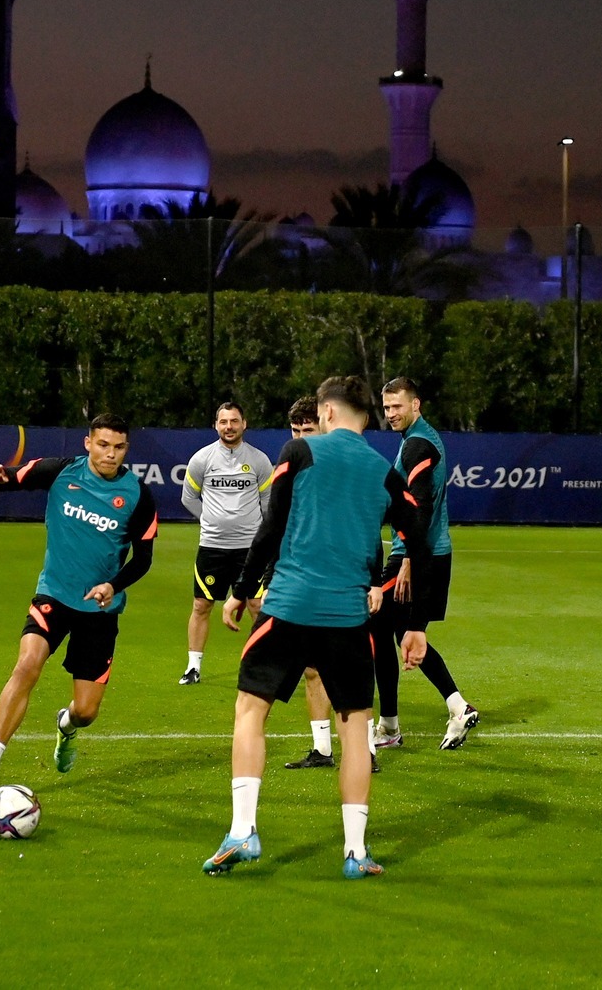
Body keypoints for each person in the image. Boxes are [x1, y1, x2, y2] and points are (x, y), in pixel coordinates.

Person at [201, 376, 422, 880]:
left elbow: (271, 526)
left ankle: (243, 830)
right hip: (348, 619)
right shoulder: (385, 473)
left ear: (327, 412)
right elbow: (417, 533)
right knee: (355, 731)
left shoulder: (299, 452)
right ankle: (355, 853)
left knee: (250, 710)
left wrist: (241, 590)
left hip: (290, 607)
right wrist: (412, 617)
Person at [0, 414, 158, 794]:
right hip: (54, 593)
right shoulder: (60, 471)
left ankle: (66, 725)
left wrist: (113, 585)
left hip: (99, 611)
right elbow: (9, 478)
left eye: (118, 447)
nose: (110, 454)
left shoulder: (137, 495)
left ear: (126, 449)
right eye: (103, 445)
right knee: (27, 665)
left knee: (86, 712)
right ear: (88, 443)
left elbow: (144, 559)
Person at [371, 377, 479, 751]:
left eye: (397, 406)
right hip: (423, 552)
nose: (391, 413)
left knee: (378, 624)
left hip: (418, 555)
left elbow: (421, 508)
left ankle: (389, 726)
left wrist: (408, 560)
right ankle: (456, 706)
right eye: (386, 407)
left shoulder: (418, 445)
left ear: (415, 404)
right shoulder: (419, 439)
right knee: (398, 632)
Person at [178, 399, 272, 685]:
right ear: (215, 425)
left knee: (258, 606)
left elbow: (268, 503)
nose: (229, 426)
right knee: (201, 605)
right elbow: (188, 498)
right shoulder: (201, 459)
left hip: (250, 550)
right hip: (212, 547)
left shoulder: (259, 460)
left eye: (234, 421)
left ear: (244, 424)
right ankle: (193, 667)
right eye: (223, 422)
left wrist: (260, 533)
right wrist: (209, 520)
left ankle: (262, 668)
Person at [277, 395, 345, 771]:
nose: (302, 437)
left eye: (309, 429)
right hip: (305, 581)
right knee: (312, 668)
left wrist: (370, 582)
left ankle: (365, 750)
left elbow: (366, 528)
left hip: (343, 582)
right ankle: (322, 749)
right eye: (296, 430)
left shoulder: (342, 468)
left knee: (347, 668)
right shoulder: (291, 469)